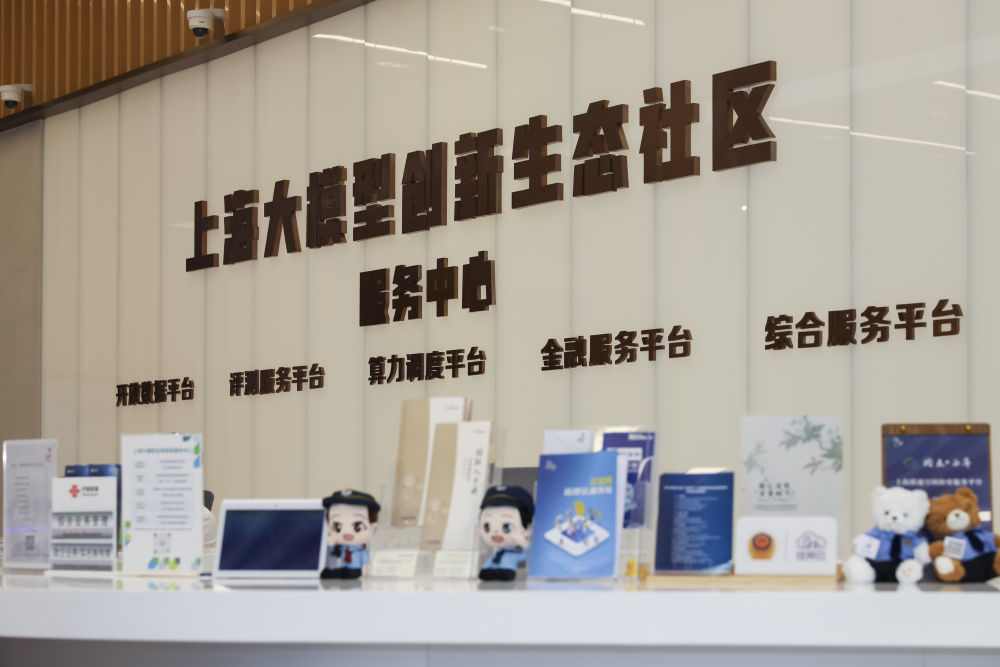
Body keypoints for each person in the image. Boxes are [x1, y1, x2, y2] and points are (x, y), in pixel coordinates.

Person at [478, 485, 534, 581]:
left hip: (509, 567)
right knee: (487, 569)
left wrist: (524, 543)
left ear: (527, 529)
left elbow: (528, 554)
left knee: (506, 566)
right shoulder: (498, 551)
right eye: (487, 526)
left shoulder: (515, 551)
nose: (495, 531)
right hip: (495, 563)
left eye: (507, 527)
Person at [321, 489, 380, 579]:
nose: (347, 532)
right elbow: (329, 552)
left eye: (358, 526)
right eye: (338, 526)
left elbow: (366, 561)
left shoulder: (362, 551)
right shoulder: (342, 548)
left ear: (373, 527)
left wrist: (366, 568)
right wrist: (331, 543)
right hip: (343, 569)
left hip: (356, 571)